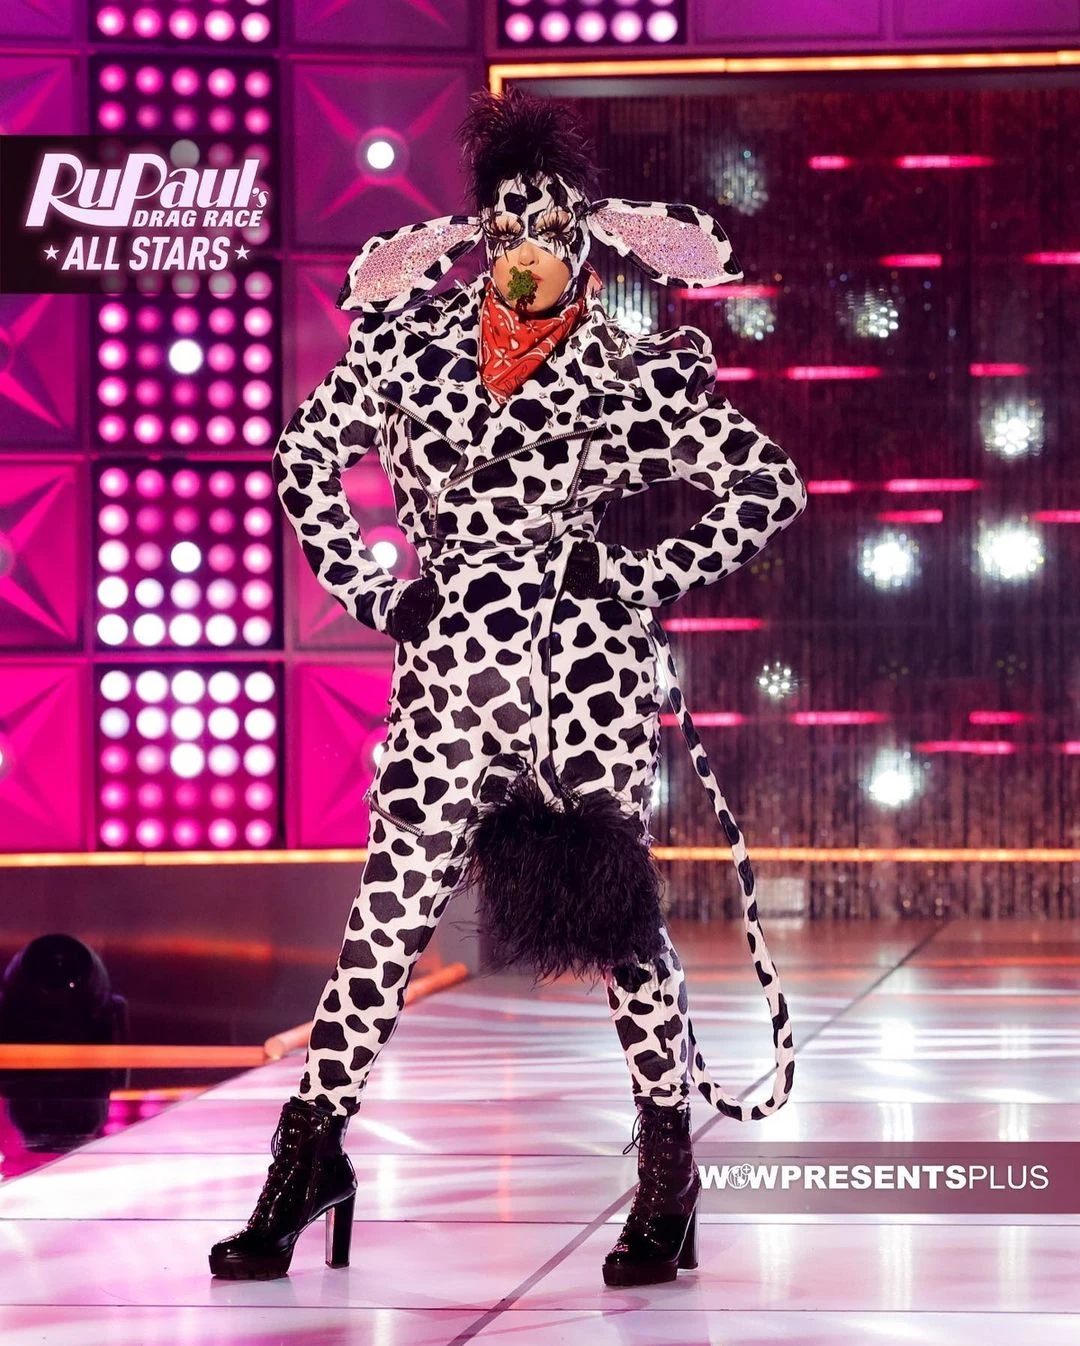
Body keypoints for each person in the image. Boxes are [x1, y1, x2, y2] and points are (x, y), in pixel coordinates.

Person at [209, 86, 807, 1288]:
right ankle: (307, 1155)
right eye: (510, 227)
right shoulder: (407, 349)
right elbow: (303, 454)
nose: (530, 250)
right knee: (384, 923)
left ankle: (667, 1173)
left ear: (585, 238)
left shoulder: (622, 370)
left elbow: (767, 484)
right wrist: (376, 591)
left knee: (621, 928)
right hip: (446, 684)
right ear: (480, 232)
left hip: (579, 681)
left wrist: (635, 573)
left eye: (553, 229)